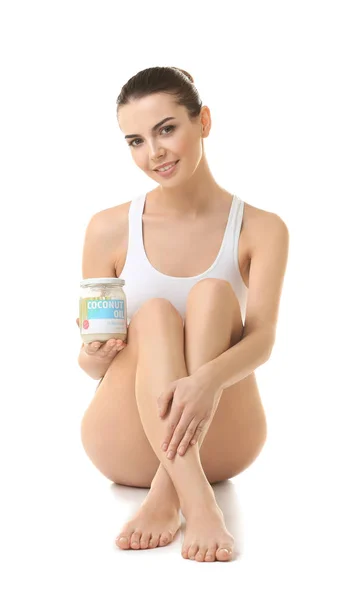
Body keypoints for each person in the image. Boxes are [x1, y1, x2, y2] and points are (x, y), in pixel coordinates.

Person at [77, 66, 289, 562]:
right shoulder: (108, 229)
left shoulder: (262, 229)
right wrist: (96, 351)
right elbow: (91, 367)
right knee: (152, 315)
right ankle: (196, 501)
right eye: (135, 140)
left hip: (223, 436)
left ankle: (166, 495)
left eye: (167, 129)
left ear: (204, 122)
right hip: (127, 438)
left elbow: (262, 338)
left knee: (214, 296)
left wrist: (207, 380)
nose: (154, 153)